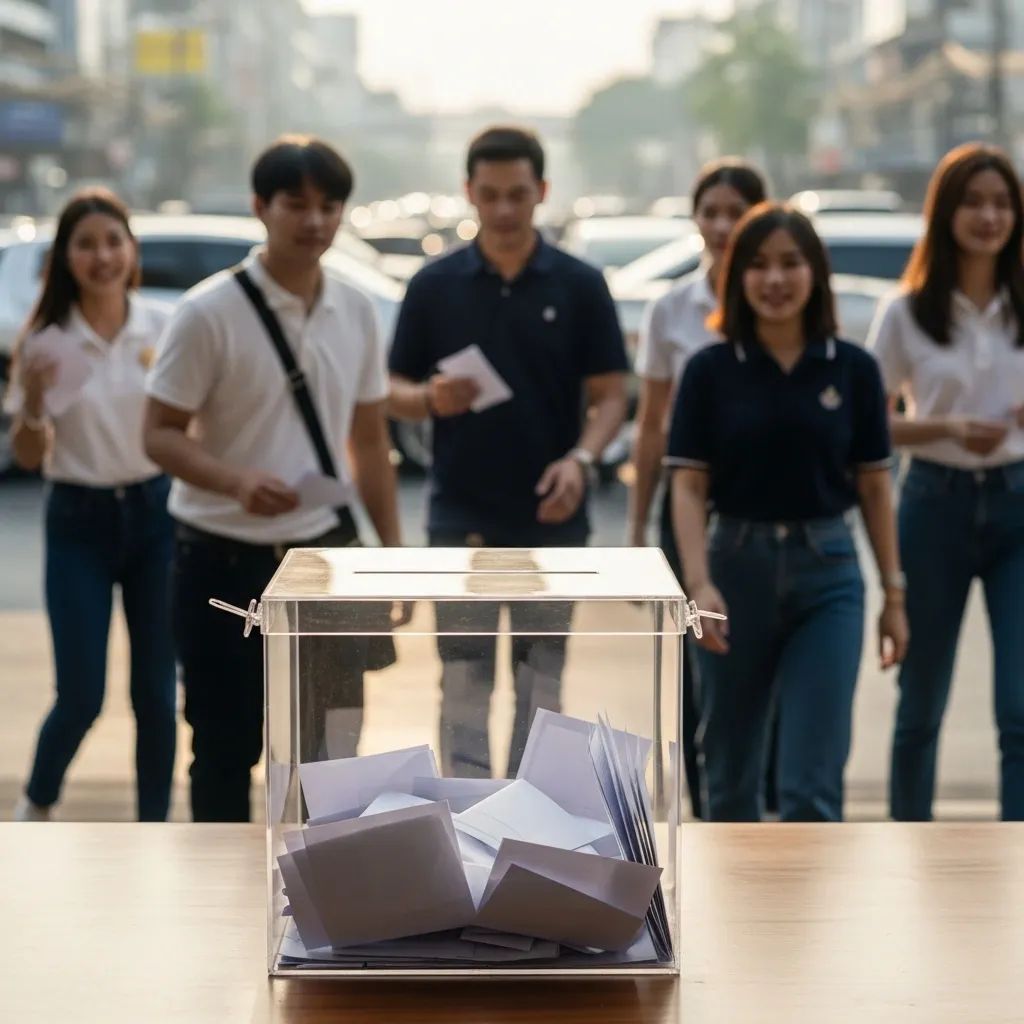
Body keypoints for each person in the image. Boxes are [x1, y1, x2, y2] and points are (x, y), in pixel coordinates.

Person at [144, 135, 401, 822]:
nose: (314, 221)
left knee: (333, 758)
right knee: (225, 751)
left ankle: (327, 912)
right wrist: (234, 482)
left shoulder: (356, 310)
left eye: (329, 205)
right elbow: (158, 433)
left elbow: (370, 440)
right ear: (262, 207)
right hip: (220, 561)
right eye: (297, 204)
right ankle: (221, 911)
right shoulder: (206, 313)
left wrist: (396, 560)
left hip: (323, 561)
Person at [388, 125, 629, 778]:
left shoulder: (579, 285)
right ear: (468, 192)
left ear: (542, 192)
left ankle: (529, 833)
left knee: (543, 686)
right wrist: (430, 398)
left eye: (517, 195)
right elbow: (391, 390)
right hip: (459, 515)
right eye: (488, 195)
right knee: (463, 684)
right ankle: (467, 828)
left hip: (552, 516)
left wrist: (583, 458)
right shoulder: (434, 286)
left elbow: (612, 393)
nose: (502, 210)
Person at [666, 202, 909, 822]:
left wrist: (894, 594)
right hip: (732, 571)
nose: (775, 280)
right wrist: (698, 582)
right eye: (759, 265)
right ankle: (732, 918)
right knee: (729, 775)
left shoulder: (852, 370)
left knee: (810, 786)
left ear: (816, 273)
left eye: (791, 264)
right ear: (736, 276)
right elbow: (689, 488)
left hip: (828, 574)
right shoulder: (709, 371)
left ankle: (806, 920)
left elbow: (876, 489)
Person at [6, 188, 176, 822]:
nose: (102, 256)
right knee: (81, 694)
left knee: (157, 694)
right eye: (86, 244)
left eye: (113, 241)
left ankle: (155, 826)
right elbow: (28, 455)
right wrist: (28, 400)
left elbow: (189, 427)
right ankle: (37, 801)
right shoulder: (46, 342)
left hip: (157, 516)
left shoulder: (161, 328)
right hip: (78, 519)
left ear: (131, 249)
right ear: (65, 257)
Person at [868, 143, 1024, 821]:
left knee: (1020, 707)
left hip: (1019, 505)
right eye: (974, 201)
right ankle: (909, 847)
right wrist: (950, 429)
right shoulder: (905, 312)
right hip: (934, 504)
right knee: (922, 702)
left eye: (1002, 203)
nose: (989, 216)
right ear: (945, 212)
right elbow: (864, 434)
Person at [629, 158, 767, 819]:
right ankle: (706, 815)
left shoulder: (782, 299)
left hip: (760, 508)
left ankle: (760, 812)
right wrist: (635, 536)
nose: (720, 226)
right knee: (693, 676)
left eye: (734, 213)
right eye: (708, 213)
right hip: (686, 509)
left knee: (761, 667)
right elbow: (651, 425)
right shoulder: (671, 309)